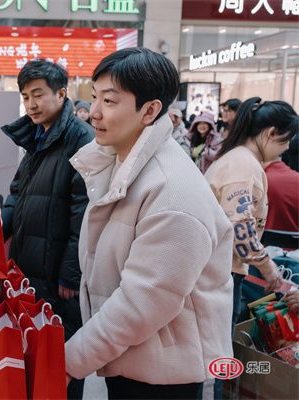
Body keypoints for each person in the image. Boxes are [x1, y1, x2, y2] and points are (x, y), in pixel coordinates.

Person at [64, 48, 234, 400]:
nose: (93, 112)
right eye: (94, 98)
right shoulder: (124, 166)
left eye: (109, 101)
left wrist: (68, 361)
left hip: (168, 378)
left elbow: (142, 304)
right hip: (136, 359)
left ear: (150, 110)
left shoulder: (172, 192)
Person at [1, 59, 94, 399]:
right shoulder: (37, 137)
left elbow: (83, 214)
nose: (31, 104)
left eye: (38, 95)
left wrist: (70, 273)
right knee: (37, 360)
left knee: (62, 365)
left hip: (59, 278)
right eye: (25, 97)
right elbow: (17, 193)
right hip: (32, 270)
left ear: (61, 93)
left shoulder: (81, 141)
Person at [205, 97, 297, 323]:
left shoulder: (236, 159)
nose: (286, 148)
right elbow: (240, 228)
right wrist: (269, 268)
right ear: (272, 133)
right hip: (222, 272)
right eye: (286, 140)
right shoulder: (243, 166)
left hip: (218, 269)